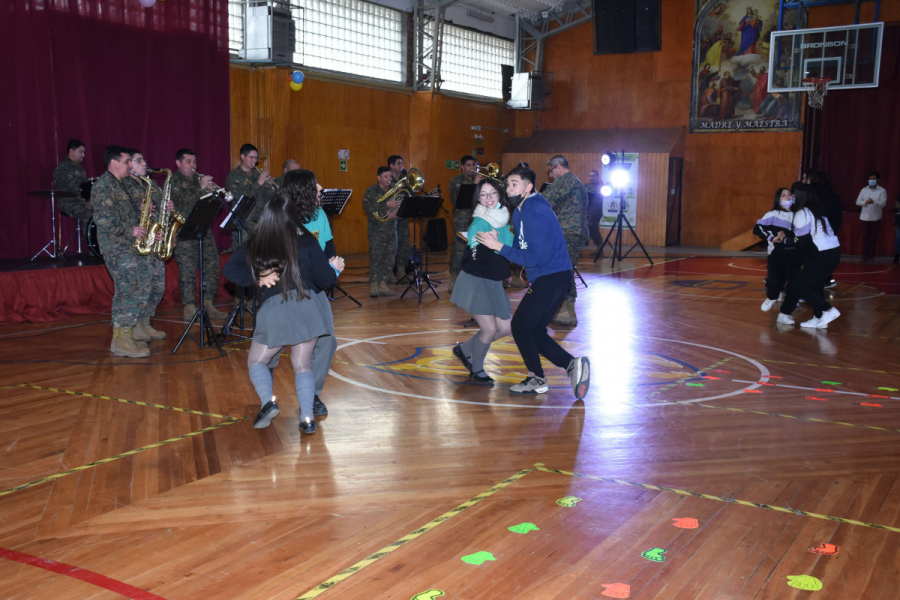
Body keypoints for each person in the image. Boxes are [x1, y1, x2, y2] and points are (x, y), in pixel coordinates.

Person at [222, 187, 345, 435]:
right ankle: (308, 418)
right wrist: (335, 269)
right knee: (303, 365)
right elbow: (323, 281)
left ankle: (268, 402)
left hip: (275, 311)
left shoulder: (257, 243)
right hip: (308, 308)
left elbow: (230, 272)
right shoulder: (308, 241)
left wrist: (259, 276)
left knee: (257, 360)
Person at [476, 165, 590, 400]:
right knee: (533, 329)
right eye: (507, 184)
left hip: (554, 277)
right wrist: (501, 241)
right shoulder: (520, 210)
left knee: (520, 326)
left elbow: (534, 256)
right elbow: (523, 246)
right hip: (547, 275)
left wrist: (498, 247)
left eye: (514, 184)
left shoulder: (536, 210)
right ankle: (572, 365)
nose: (509, 189)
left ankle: (537, 378)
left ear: (528, 187)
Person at [264, 170, 335, 418]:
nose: (321, 187)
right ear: (302, 192)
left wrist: (331, 268)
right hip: (282, 292)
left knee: (327, 339)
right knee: (273, 344)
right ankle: (266, 391)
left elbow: (328, 249)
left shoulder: (320, 214)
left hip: (313, 290)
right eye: (315, 185)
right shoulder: (278, 218)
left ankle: (312, 394)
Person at [450, 178, 514, 383]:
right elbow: (477, 260)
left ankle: (464, 349)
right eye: (483, 195)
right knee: (489, 329)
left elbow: (512, 249)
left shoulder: (503, 218)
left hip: (494, 280)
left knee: (506, 328)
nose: (488, 199)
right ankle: (477, 369)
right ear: (478, 198)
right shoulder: (479, 222)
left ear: (499, 195)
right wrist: (491, 244)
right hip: (476, 280)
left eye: (492, 193)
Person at [91, 146, 150, 358]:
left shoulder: (121, 185)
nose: (129, 165)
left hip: (126, 245)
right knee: (128, 289)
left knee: (129, 288)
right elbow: (104, 220)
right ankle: (122, 339)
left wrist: (142, 214)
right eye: (127, 161)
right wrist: (130, 230)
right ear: (115, 163)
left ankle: (123, 336)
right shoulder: (103, 186)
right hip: (115, 246)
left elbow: (126, 214)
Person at [170, 148, 228, 321]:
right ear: (178, 163)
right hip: (184, 230)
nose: (192, 165)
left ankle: (208, 303)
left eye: (194, 161)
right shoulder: (173, 181)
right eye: (188, 162)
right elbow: (182, 202)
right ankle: (188, 306)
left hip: (203, 228)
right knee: (188, 268)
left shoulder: (197, 180)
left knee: (211, 264)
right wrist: (201, 188)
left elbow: (208, 205)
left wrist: (211, 192)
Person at [120, 149, 170, 342]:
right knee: (143, 286)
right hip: (137, 243)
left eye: (144, 159)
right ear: (129, 165)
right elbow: (122, 214)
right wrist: (138, 209)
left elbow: (160, 206)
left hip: (153, 238)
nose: (144, 163)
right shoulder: (123, 185)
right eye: (139, 160)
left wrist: (168, 208)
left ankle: (146, 322)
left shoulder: (150, 183)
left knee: (157, 285)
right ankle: (137, 325)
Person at [543, 155, 589, 326]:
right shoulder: (578, 182)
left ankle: (564, 311)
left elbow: (546, 201)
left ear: (558, 167)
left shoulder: (564, 181)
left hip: (566, 233)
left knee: (560, 272)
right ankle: (565, 312)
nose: (551, 175)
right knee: (566, 271)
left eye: (551, 170)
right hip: (576, 234)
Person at [789, 183, 841, 328]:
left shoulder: (802, 214)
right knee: (816, 285)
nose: (791, 197)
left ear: (800, 196)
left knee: (800, 286)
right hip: (833, 252)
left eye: (793, 195)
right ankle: (819, 318)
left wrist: (788, 241)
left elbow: (801, 240)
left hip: (820, 254)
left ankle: (828, 310)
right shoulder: (818, 211)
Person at [753, 188, 800, 323]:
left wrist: (793, 239)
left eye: (789, 195)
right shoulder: (772, 214)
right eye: (783, 195)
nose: (787, 197)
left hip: (795, 256)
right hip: (776, 255)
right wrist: (771, 236)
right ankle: (772, 296)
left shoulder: (798, 215)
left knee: (793, 285)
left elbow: (800, 236)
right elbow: (758, 228)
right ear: (778, 199)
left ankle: (784, 314)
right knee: (773, 283)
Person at [225, 143, 274, 249]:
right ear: (242, 157)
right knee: (243, 254)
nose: (254, 160)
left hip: (260, 221)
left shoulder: (257, 175)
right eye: (251, 157)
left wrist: (269, 187)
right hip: (244, 224)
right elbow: (238, 196)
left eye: (256, 158)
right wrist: (258, 183)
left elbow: (267, 197)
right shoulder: (233, 175)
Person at [363, 166, 400, 297]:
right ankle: (374, 285)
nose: (389, 179)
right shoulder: (371, 191)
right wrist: (386, 205)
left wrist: (398, 214)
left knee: (389, 257)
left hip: (391, 230)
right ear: (379, 178)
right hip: (376, 231)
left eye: (390, 176)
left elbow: (403, 205)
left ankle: (383, 283)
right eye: (386, 177)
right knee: (376, 257)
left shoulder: (395, 190)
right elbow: (368, 208)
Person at [448, 155, 481, 291]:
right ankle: (454, 279)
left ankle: (473, 279)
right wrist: (475, 186)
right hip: (462, 219)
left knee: (476, 248)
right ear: (462, 166)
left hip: (477, 219)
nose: (472, 167)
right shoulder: (456, 181)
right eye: (468, 165)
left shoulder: (480, 180)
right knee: (460, 249)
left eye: (473, 164)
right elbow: (458, 201)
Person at [53, 139, 93, 236]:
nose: (83, 155)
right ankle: (90, 243)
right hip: (68, 202)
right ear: (71, 151)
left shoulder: (80, 168)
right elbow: (64, 187)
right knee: (88, 214)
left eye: (84, 152)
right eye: (80, 152)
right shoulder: (63, 167)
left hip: (80, 201)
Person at [387, 155, 410, 284]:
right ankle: (389, 272)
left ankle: (401, 271)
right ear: (391, 165)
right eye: (398, 163)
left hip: (402, 217)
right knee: (391, 246)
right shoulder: (387, 179)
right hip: (390, 219)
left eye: (402, 163)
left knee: (404, 244)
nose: (401, 165)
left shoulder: (406, 180)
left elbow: (410, 196)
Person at [856, 171, 887, 263]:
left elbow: (883, 204)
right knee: (865, 237)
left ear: (878, 180)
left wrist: (874, 201)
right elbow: (857, 202)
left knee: (873, 237)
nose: (871, 180)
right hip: (865, 217)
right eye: (870, 179)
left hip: (875, 217)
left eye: (873, 179)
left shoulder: (882, 191)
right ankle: (863, 256)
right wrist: (865, 202)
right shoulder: (864, 190)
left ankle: (871, 256)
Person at [587, 170, 604, 250]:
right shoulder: (585, 186)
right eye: (590, 176)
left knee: (594, 229)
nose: (591, 178)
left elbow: (607, 193)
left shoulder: (601, 187)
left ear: (597, 177)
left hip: (596, 212)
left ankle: (599, 249)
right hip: (586, 212)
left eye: (593, 176)